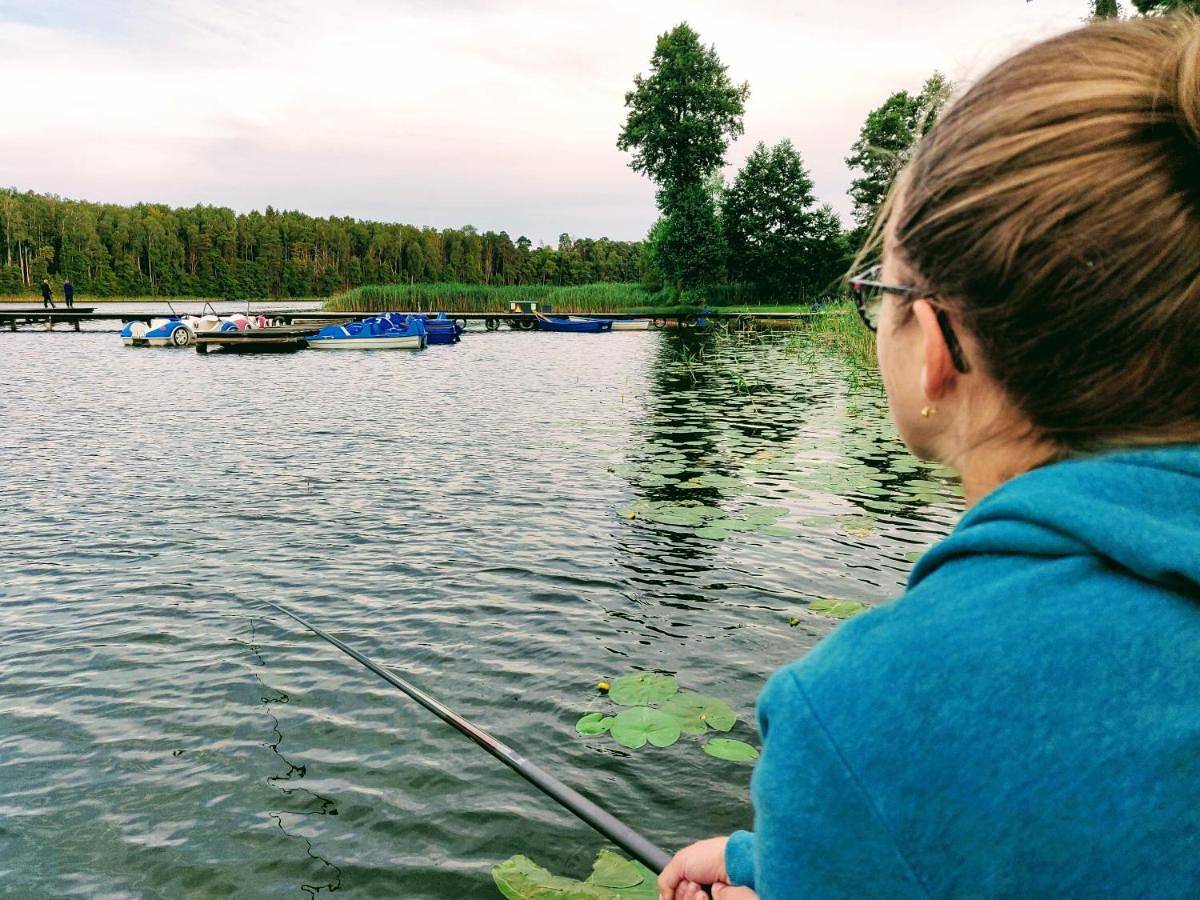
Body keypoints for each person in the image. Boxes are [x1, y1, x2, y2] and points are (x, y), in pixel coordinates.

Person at [660, 14, 1200, 900]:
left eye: (882, 292)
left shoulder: (864, 717)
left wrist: (836, 829)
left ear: (940, 343)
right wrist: (796, 864)